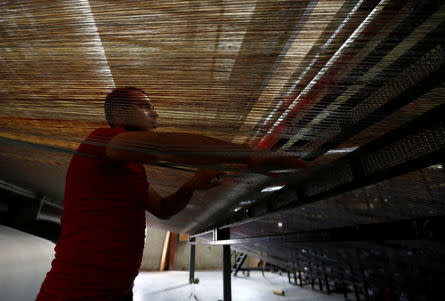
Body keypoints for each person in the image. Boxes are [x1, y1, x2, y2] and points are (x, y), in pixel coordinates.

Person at [36, 87, 305, 300]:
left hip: (117, 291)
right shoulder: (100, 140)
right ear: (118, 113)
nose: (155, 113)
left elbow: (163, 209)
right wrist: (248, 154)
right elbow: (161, 146)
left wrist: (190, 186)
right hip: (74, 292)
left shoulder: (130, 169)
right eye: (145, 106)